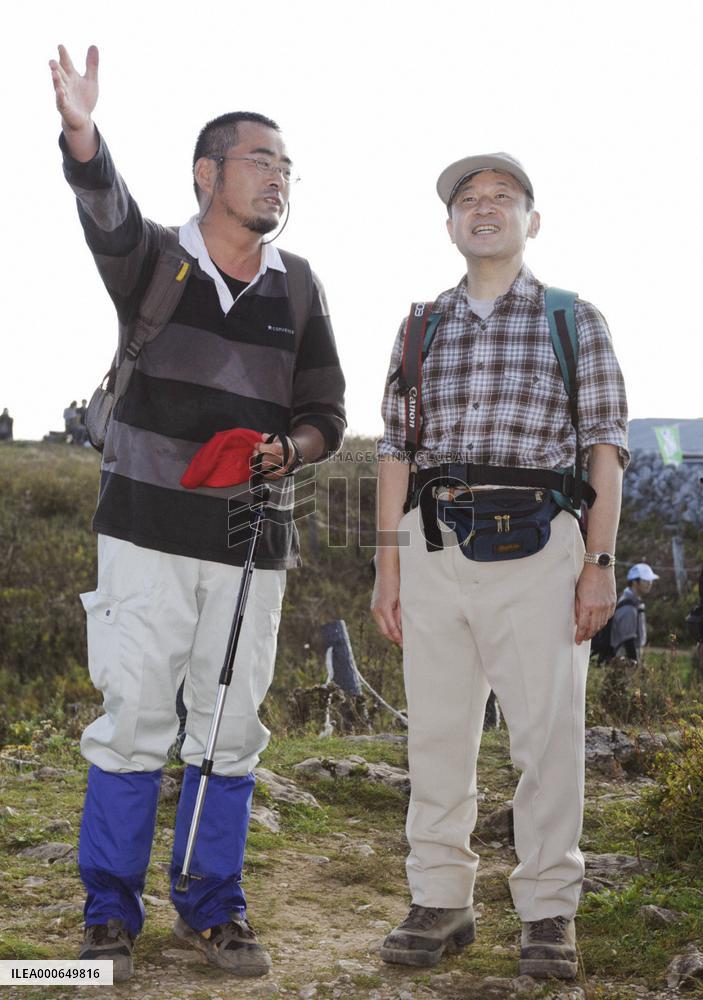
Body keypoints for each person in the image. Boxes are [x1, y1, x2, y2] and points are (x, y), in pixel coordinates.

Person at [49, 44, 345, 981]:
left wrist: (292, 448)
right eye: (262, 160)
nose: (278, 177)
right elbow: (105, 209)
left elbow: (326, 414)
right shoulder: (155, 263)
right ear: (207, 173)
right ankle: (109, 916)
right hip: (144, 533)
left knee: (229, 727)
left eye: (287, 166)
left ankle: (212, 909)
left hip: (250, 539)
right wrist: (83, 132)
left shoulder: (300, 285)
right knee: (134, 719)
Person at [372, 153, 628, 980]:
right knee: (436, 734)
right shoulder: (420, 325)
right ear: (449, 224)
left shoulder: (572, 318)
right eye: (468, 200)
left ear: (530, 220)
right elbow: (394, 450)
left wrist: (598, 563)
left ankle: (548, 913)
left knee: (545, 740)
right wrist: (386, 567)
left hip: (541, 548)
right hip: (432, 546)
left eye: (502, 198)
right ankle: (439, 900)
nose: (483, 209)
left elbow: (605, 448)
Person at [609, 563, 658, 661]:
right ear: (635, 582)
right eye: (645, 580)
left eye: (650, 580)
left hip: (628, 654)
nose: (650, 583)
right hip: (624, 656)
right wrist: (634, 661)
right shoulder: (628, 607)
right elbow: (628, 640)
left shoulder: (634, 603)